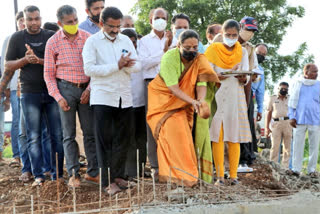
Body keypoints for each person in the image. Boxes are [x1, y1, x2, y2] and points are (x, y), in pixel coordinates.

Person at [1, 5, 64, 186]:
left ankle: (57, 174)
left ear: (41, 18)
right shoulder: (16, 38)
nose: (33, 22)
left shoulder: (50, 37)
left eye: (36, 18)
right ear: (24, 20)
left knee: (56, 134)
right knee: (33, 135)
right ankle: (38, 176)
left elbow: (60, 62)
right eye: (30, 19)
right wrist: (25, 60)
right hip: (29, 92)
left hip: (52, 90)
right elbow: (8, 65)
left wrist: (40, 60)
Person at [147, 29, 219, 186]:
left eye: (195, 47)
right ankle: (179, 177)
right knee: (173, 134)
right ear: (178, 45)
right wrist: (193, 102)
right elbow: (173, 88)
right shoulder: (169, 57)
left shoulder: (199, 59)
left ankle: (187, 176)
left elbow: (201, 84)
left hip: (185, 102)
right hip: (163, 99)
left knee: (185, 137)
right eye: (187, 48)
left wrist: (200, 101)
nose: (192, 51)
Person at [83, 6, 140, 195]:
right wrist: (116, 66)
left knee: (123, 139)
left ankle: (118, 176)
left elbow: (137, 64)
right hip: (103, 97)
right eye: (111, 26)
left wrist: (126, 66)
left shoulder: (125, 40)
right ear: (101, 23)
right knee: (104, 141)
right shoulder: (92, 42)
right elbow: (89, 70)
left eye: (118, 26)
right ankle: (106, 182)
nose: (115, 30)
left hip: (125, 97)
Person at [44, 5, 99, 188]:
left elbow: (95, 67)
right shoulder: (53, 42)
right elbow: (49, 74)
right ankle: (74, 174)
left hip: (86, 89)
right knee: (68, 135)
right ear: (60, 23)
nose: (74, 24)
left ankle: (93, 173)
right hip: (65, 89)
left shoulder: (88, 38)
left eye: (75, 20)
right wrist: (58, 96)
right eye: (69, 22)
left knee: (90, 133)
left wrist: (89, 89)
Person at [205, 19, 251, 185]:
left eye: (234, 35)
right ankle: (219, 176)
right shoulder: (213, 49)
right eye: (228, 35)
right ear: (221, 35)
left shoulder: (243, 51)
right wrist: (217, 76)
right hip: (218, 95)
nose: (231, 37)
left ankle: (233, 176)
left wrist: (243, 77)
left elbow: (246, 77)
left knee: (234, 136)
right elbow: (206, 73)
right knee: (218, 136)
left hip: (236, 96)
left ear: (238, 35)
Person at [138, 8, 172, 176]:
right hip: (151, 84)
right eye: (156, 17)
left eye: (163, 17)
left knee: (171, 123)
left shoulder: (174, 40)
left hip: (172, 86)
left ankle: (171, 163)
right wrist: (164, 52)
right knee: (152, 125)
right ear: (150, 21)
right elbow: (143, 64)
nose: (160, 20)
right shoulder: (143, 41)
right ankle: (156, 166)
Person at [121, 29, 146, 179]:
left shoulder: (142, 57)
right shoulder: (118, 58)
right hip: (125, 105)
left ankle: (141, 169)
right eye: (129, 41)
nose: (132, 44)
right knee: (128, 139)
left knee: (141, 139)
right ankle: (129, 172)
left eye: (134, 41)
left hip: (141, 103)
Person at [0, 11, 24, 166]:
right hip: (14, 87)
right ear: (17, 22)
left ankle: (27, 154)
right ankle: (17, 155)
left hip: (31, 87)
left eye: (25, 20)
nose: (23, 23)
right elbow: (5, 66)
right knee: (17, 121)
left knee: (28, 123)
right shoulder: (9, 39)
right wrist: (6, 90)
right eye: (20, 20)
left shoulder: (35, 38)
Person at [288, 63, 320, 178]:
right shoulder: (298, 84)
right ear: (306, 73)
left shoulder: (319, 85)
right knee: (297, 145)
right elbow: (291, 103)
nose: (316, 74)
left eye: (317, 71)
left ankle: (311, 170)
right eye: (314, 71)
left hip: (315, 120)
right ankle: (296, 169)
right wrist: (291, 116)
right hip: (299, 120)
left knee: (314, 146)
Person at [265, 82, 292, 168]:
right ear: (278, 88)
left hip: (288, 123)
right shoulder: (272, 98)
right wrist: (267, 127)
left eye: (285, 89)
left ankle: (285, 167)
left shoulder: (290, 98)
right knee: (275, 146)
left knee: (287, 146)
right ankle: (273, 166)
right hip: (276, 124)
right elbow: (268, 113)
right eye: (282, 88)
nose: (283, 90)